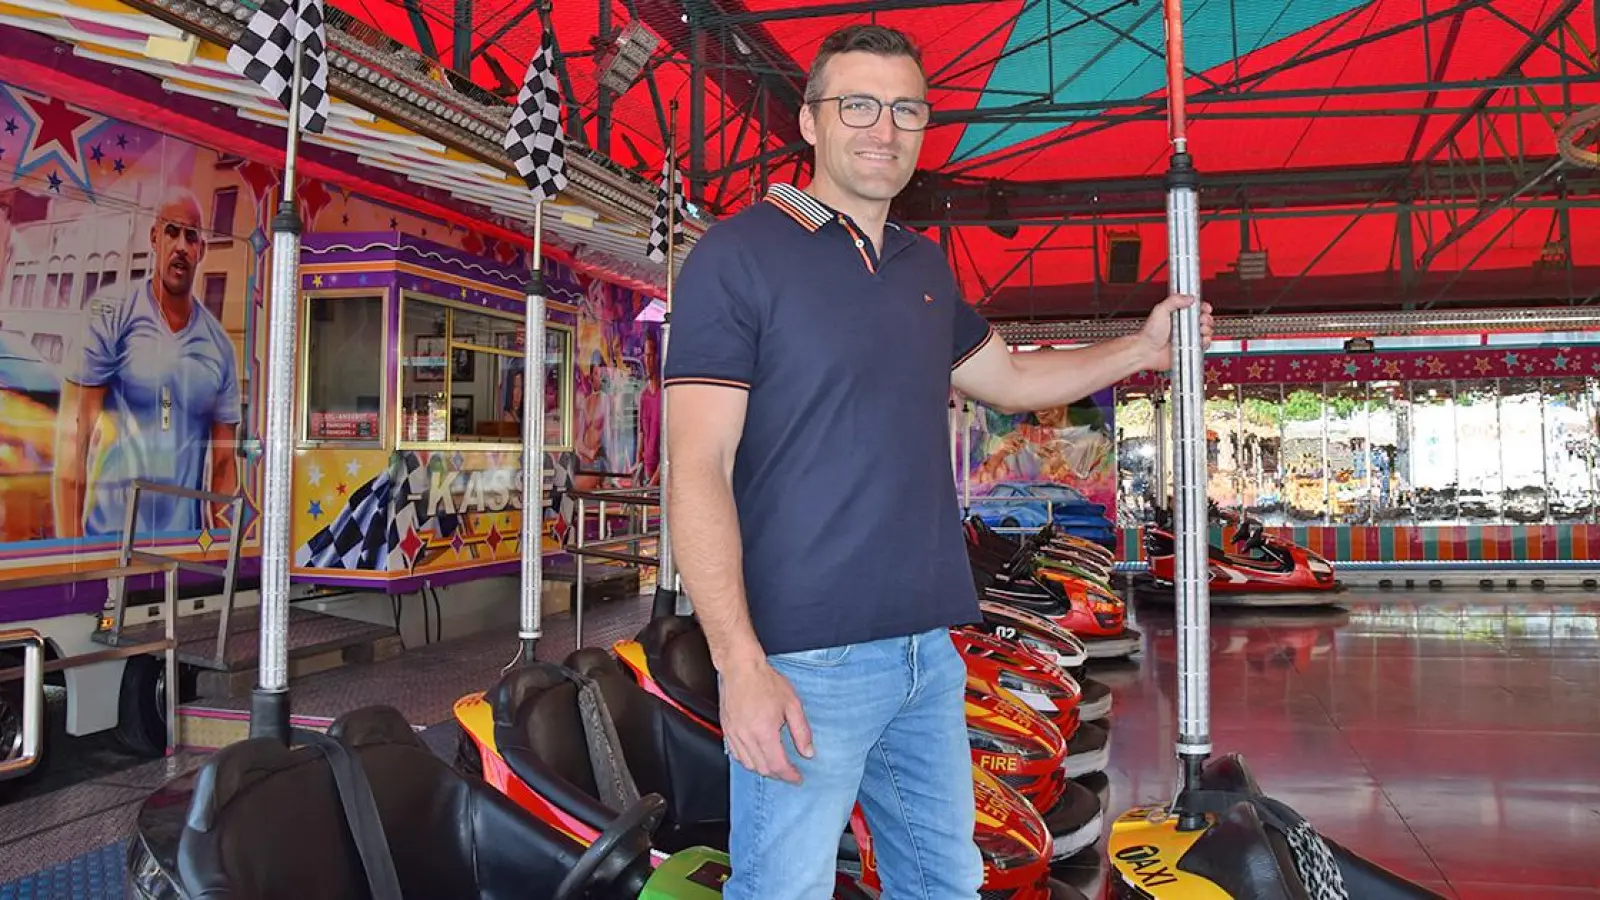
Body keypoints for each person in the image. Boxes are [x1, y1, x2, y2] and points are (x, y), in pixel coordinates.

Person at [663, 24, 1212, 900]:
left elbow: (1013, 379)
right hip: (806, 659)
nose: (884, 128)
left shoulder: (922, 266)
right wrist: (740, 666)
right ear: (809, 122)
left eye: (906, 110)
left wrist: (1138, 351)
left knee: (944, 881)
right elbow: (694, 468)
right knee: (782, 890)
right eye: (859, 106)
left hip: (926, 648)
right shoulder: (739, 258)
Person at [52, 188, 241, 539]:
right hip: (109, 539)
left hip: (185, 547)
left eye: (191, 236)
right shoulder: (112, 314)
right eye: (171, 232)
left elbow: (224, 464)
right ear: (155, 237)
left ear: (202, 251)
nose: (181, 246)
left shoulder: (219, 348)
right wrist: (70, 558)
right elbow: (74, 444)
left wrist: (223, 553)